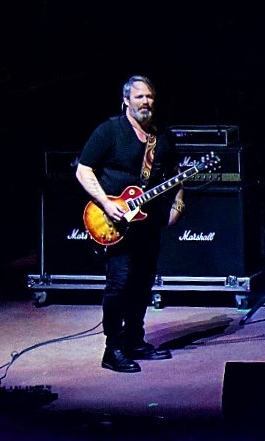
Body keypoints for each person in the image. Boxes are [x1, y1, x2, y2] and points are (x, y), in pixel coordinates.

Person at [76, 76, 184, 373]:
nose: (146, 102)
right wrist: (106, 203)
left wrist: (178, 204)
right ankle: (113, 349)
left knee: (143, 282)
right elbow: (83, 170)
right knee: (119, 284)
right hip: (115, 222)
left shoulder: (162, 135)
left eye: (149, 96)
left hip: (148, 222)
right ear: (126, 101)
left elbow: (176, 174)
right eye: (139, 97)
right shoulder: (109, 131)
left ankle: (135, 340)